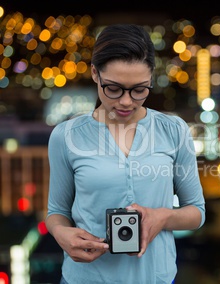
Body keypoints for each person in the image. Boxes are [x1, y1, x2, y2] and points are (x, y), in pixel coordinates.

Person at [45, 24, 206, 284]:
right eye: (114, 88)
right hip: (85, 279)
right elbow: (56, 211)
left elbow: (196, 212)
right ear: (95, 73)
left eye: (139, 89)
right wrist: (61, 234)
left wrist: (163, 216)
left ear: (152, 79)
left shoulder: (174, 130)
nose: (126, 102)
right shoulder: (66, 135)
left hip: (155, 278)